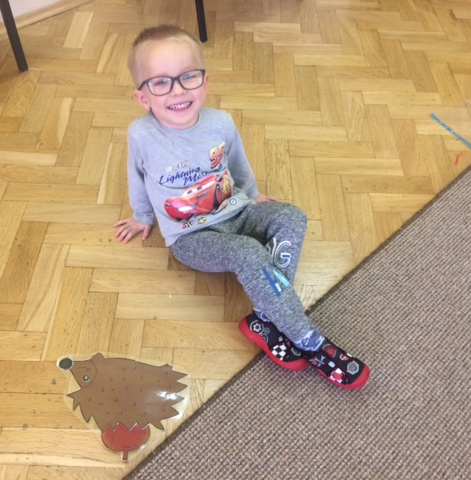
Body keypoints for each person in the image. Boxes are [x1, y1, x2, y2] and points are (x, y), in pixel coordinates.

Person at [113, 24, 370, 389]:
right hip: (191, 237)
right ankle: (310, 341)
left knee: (292, 216)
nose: (178, 90)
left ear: (205, 81)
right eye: (161, 83)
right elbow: (136, 176)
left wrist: (252, 193)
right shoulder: (141, 134)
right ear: (142, 97)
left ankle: (264, 318)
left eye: (188, 77)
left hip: (237, 211)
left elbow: (236, 162)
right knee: (248, 253)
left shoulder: (221, 122)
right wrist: (141, 217)